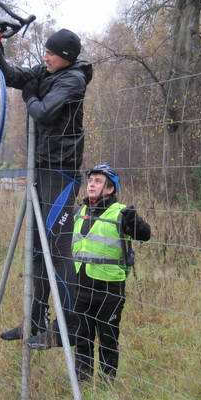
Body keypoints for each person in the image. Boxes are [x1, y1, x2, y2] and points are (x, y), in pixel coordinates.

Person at [0, 26, 94, 346]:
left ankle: (68, 329)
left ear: (65, 57)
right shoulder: (49, 71)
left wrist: (29, 94)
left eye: (51, 53)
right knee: (36, 252)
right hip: (41, 170)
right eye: (46, 52)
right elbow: (12, 76)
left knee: (58, 252)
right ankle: (35, 321)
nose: (45, 56)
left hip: (60, 174)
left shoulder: (72, 80)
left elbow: (43, 112)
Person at [69, 163, 151, 381]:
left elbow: (145, 235)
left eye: (98, 181)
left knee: (108, 340)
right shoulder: (79, 212)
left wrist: (135, 223)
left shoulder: (121, 213)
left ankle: (107, 388)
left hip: (109, 291)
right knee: (82, 338)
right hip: (81, 287)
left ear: (110, 189)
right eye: (91, 180)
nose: (91, 184)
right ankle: (83, 384)